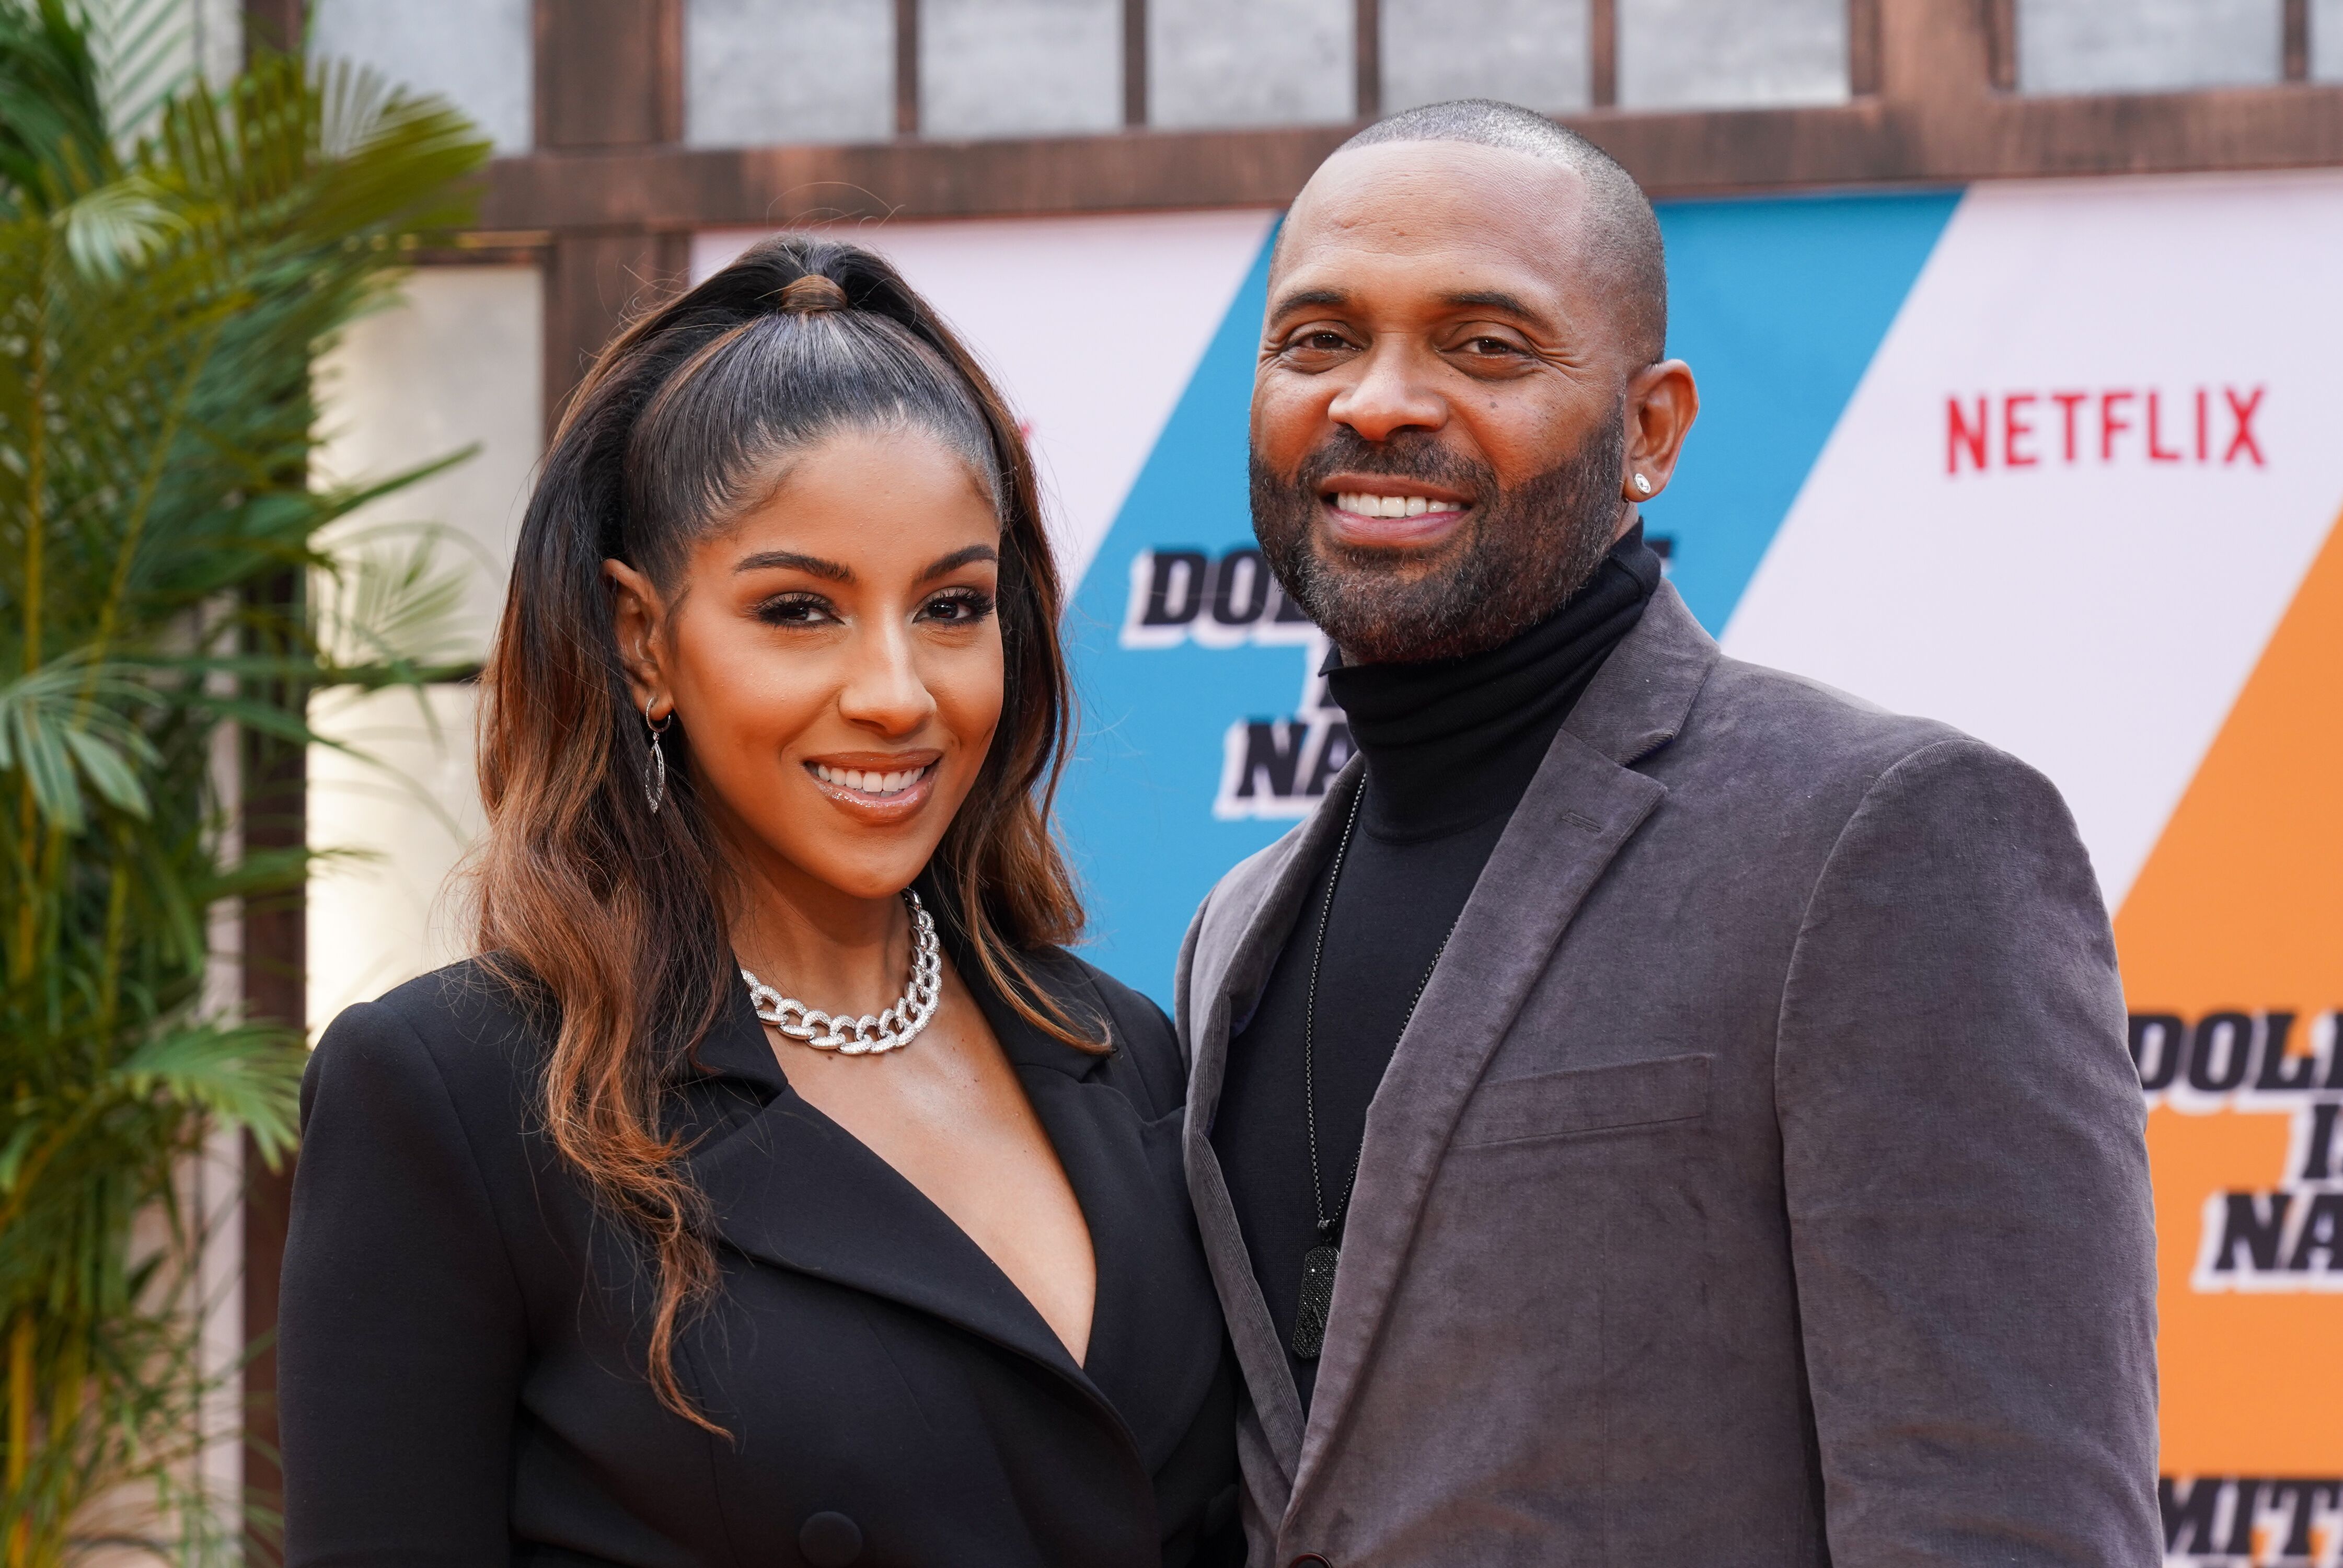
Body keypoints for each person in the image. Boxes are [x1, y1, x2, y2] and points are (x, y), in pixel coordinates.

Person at [1178, 101, 2160, 1566]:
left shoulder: (1885, 841)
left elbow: (2004, 1525)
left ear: (1647, 429)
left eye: (1483, 345)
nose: (1376, 401)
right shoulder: (1231, 930)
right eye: (1317, 340)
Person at [279, 236, 1241, 1567]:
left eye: (953, 606)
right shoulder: (462, 1093)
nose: (899, 692)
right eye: (800, 611)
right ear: (643, 642)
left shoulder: (1125, 1052)